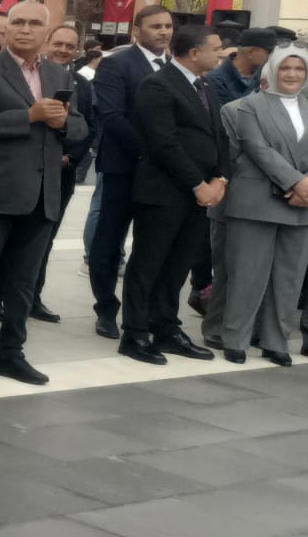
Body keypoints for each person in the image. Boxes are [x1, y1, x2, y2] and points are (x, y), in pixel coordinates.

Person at [0, 0, 86, 387]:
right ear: (6, 29)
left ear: (47, 31)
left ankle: (11, 352)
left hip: (42, 194)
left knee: (24, 282)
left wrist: (63, 123)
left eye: (34, 23)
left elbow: (80, 128)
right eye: (18, 22)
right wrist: (28, 116)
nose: (26, 29)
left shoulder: (59, 73)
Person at [121, 22, 228, 365]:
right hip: (163, 193)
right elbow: (163, 143)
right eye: (215, 48)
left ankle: (165, 327)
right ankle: (135, 333)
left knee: (178, 264)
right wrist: (198, 184)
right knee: (148, 264)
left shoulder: (205, 84)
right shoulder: (158, 85)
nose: (220, 54)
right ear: (195, 52)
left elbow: (219, 136)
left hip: (200, 195)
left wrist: (220, 179)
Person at [215, 46, 308, 365]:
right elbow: (257, 149)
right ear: (273, 71)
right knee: (247, 274)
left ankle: (275, 340)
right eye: (285, 68)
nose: (292, 74)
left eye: (299, 69)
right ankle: (235, 338)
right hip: (256, 200)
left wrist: (304, 188)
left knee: (288, 277)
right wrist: (296, 183)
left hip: (301, 204)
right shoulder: (250, 105)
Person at [89, 4, 177, 338]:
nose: (164, 32)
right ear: (137, 31)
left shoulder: (175, 66)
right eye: (156, 26)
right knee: (110, 241)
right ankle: (106, 308)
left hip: (163, 173)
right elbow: (112, 117)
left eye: (168, 26)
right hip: (124, 167)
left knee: (152, 242)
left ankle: (143, 310)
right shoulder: (117, 63)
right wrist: (151, 152)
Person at [29, 22, 95, 322]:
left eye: (70, 46)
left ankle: (33, 296)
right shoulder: (29, 76)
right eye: (58, 43)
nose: (63, 50)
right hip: (25, 170)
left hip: (61, 173)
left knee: (46, 237)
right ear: (47, 43)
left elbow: (89, 126)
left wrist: (69, 157)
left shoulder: (82, 84)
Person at [209, 27, 275, 106]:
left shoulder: (267, 76)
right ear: (251, 52)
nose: (272, 57)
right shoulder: (215, 79)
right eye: (268, 52)